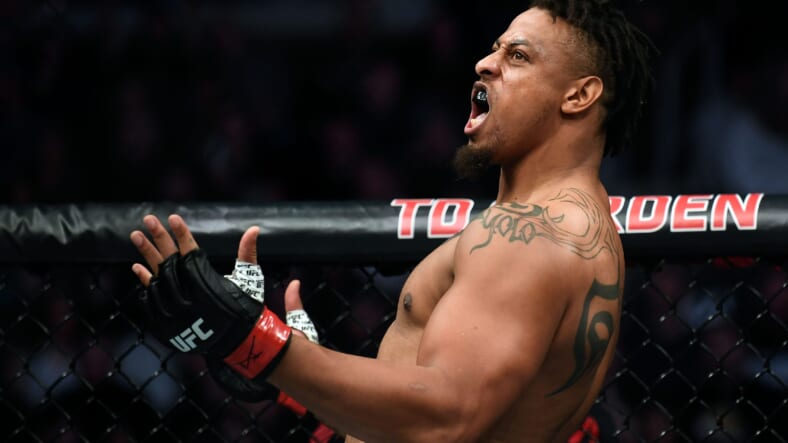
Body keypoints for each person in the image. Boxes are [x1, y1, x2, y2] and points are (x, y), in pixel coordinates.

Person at [129, 1, 654, 441]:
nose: (485, 64)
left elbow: (446, 416)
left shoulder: (530, 234)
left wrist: (256, 342)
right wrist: (298, 384)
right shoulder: (576, 224)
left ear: (578, 95)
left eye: (517, 56)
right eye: (495, 49)